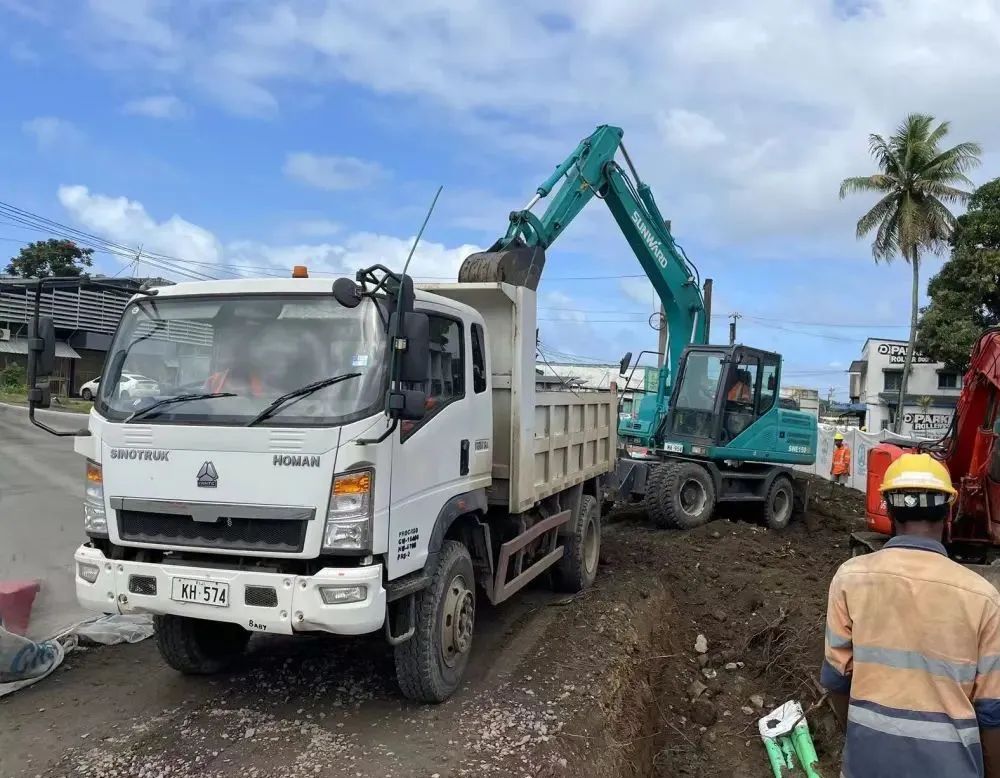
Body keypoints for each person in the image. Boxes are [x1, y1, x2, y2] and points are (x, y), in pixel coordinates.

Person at [821, 453, 1000, 778]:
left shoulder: (849, 578)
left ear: (889, 509)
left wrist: (861, 740)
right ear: (948, 512)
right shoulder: (983, 597)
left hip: (867, 764)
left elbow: (836, 679)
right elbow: (992, 712)